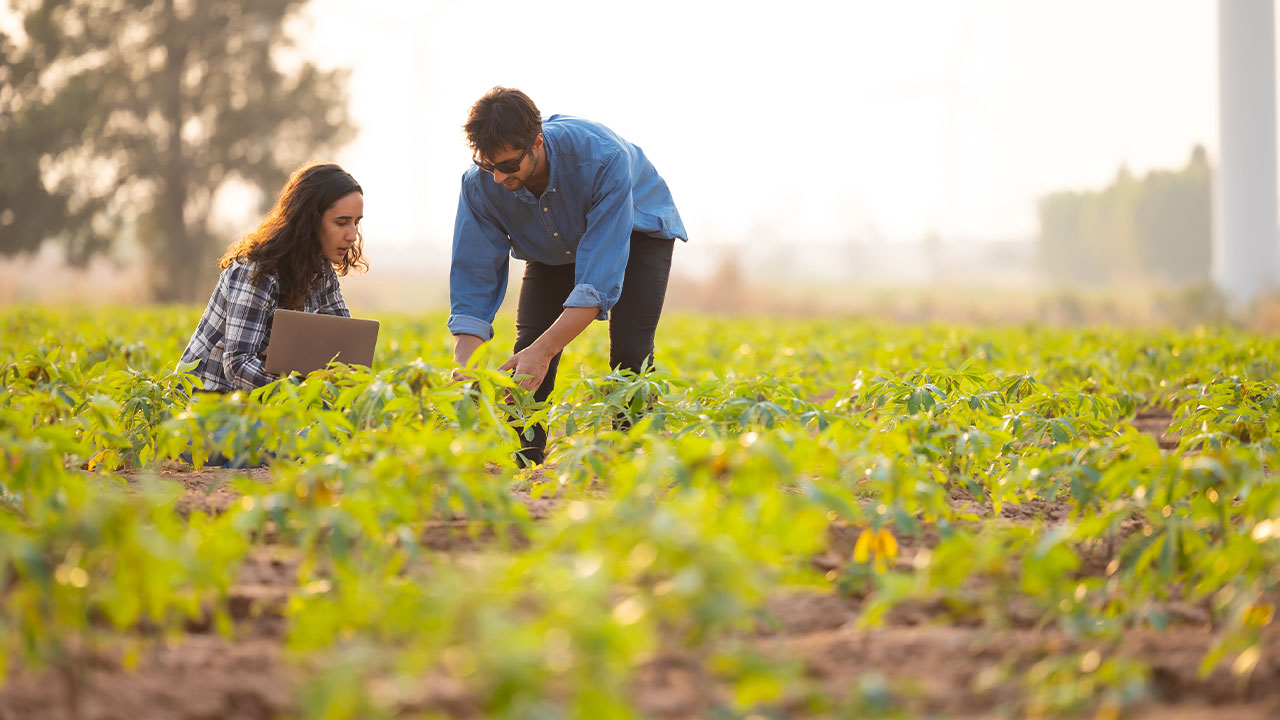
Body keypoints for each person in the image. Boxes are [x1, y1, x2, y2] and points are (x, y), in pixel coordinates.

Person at [449, 87, 687, 466]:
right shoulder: (479, 186)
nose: (496, 178)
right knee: (527, 348)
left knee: (630, 351)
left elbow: (596, 284)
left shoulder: (601, 158)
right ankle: (525, 461)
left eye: (508, 166)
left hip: (636, 232)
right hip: (551, 243)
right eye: (486, 165)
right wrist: (462, 367)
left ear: (537, 143)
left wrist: (546, 351)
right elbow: (474, 277)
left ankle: (632, 458)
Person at [180, 162, 367, 393]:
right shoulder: (256, 270)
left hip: (265, 403)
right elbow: (237, 365)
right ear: (309, 220)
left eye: (356, 223)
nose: (352, 235)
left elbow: (345, 348)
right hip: (209, 402)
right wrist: (302, 392)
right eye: (341, 222)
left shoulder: (321, 272)